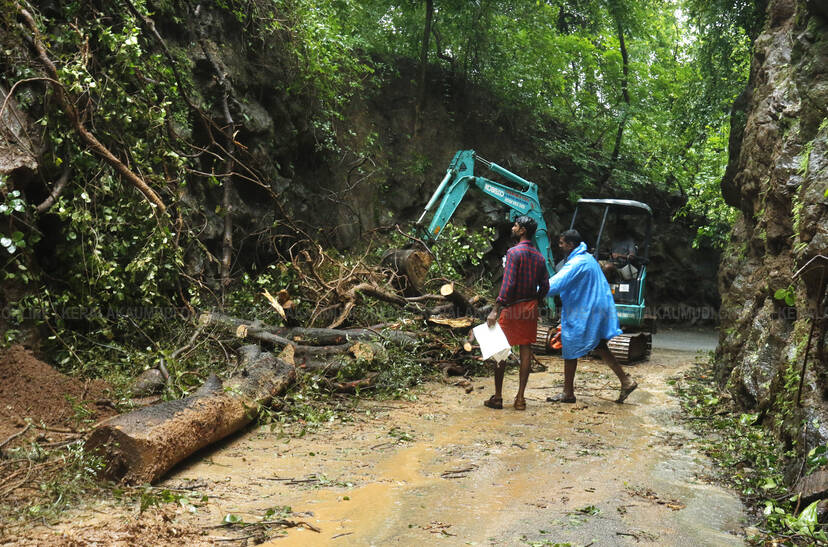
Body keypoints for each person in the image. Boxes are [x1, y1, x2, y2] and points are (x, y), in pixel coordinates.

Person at [546, 229, 638, 404]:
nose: (560, 246)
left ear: (571, 245)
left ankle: (568, 393)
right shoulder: (586, 258)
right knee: (599, 345)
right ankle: (626, 381)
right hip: (596, 305)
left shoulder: (577, 263)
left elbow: (556, 284)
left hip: (588, 309)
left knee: (570, 343)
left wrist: (532, 289)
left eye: (561, 243)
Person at [485, 216, 550, 411]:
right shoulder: (539, 257)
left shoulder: (514, 253)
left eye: (515, 225)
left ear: (522, 230)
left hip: (513, 307)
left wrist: (496, 308)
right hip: (530, 306)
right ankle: (520, 398)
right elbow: (546, 285)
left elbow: (509, 283)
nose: (513, 228)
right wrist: (536, 300)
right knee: (526, 349)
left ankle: (497, 397)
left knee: (500, 349)